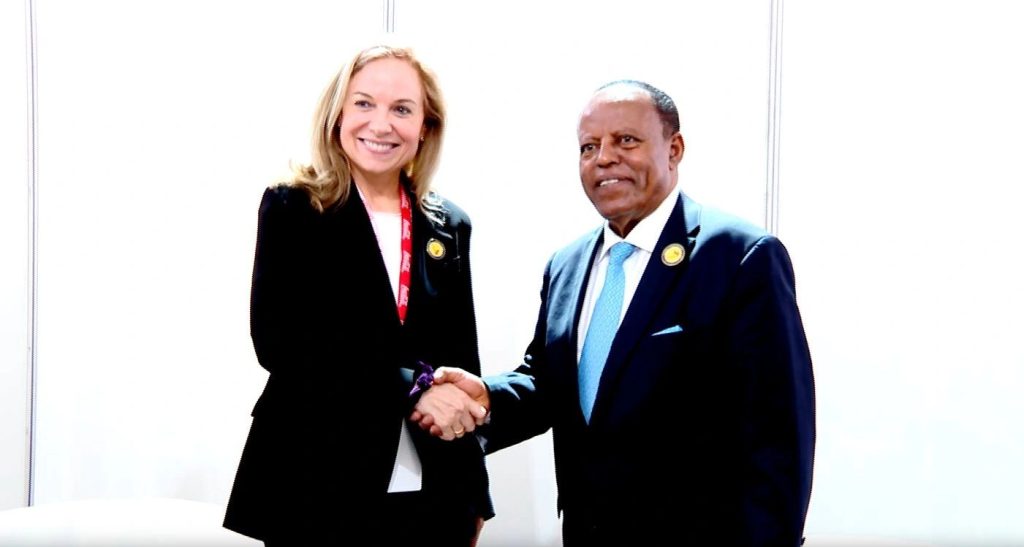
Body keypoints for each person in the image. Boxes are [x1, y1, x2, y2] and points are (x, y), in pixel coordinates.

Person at [413, 80, 815, 546]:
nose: (604, 158)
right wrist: (487, 397)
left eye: (626, 140)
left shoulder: (739, 257)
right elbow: (550, 383)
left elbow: (779, 438)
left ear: (674, 149)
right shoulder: (566, 265)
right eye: (589, 147)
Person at [223, 44, 493, 546]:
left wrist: (475, 490)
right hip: (315, 480)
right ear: (338, 114)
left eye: (402, 109)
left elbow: (461, 362)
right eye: (364, 103)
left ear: (426, 126)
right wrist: (413, 386)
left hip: (432, 490)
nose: (381, 124)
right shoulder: (294, 206)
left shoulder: (450, 224)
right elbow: (282, 344)